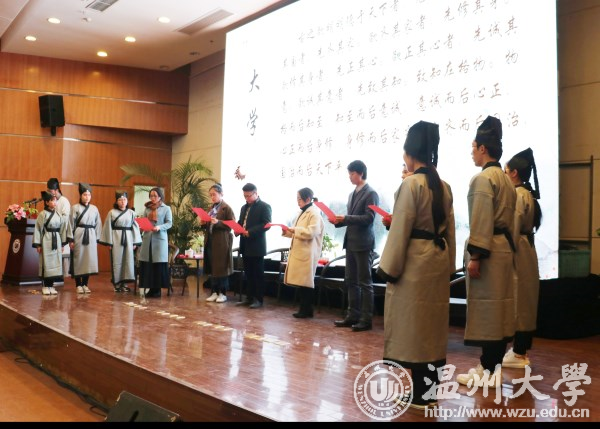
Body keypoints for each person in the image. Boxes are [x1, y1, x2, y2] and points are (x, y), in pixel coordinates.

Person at [376, 121, 456, 409]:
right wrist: (449, 266)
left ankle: (421, 396)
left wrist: (387, 269)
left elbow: (401, 230)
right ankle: (429, 392)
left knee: (413, 327)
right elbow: (450, 231)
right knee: (432, 328)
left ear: (410, 154)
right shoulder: (444, 186)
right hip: (437, 260)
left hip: (414, 263)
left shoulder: (410, 184)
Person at [456, 115, 517, 387]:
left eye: (473, 147)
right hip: (503, 250)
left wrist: (476, 256)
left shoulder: (483, 179)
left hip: (488, 252)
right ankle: (490, 366)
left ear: (483, 148)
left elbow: (481, 220)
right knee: (498, 311)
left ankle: (490, 371)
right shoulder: (505, 179)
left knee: (488, 312)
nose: (471, 152)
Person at [503, 148, 542, 369]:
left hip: (518, 251)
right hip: (526, 250)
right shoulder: (527, 194)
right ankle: (520, 351)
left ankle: (518, 352)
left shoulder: (518, 195)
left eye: (506, 171)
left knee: (521, 301)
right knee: (525, 301)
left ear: (514, 173)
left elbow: (513, 227)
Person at [331, 160, 379, 332]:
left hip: (364, 243)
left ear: (361, 173)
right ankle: (352, 315)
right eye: (349, 174)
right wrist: (338, 221)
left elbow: (369, 218)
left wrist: (346, 218)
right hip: (351, 242)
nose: (350, 177)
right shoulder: (352, 194)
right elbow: (351, 218)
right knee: (351, 280)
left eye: (352, 173)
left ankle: (366, 319)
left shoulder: (371, 193)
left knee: (365, 282)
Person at [281, 187, 325, 318]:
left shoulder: (314, 213)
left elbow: (312, 232)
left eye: (299, 199)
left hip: (308, 251)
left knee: (306, 283)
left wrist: (294, 230)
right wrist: (287, 231)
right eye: (297, 199)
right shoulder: (302, 212)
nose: (297, 201)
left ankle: (306, 310)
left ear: (307, 199)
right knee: (302, 283)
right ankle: (304, 309)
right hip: (301, 251)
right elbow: (297, 231)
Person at [235, 183, 272, 309]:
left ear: (256, 193)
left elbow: (266, 224)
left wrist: (250, 232)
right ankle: (249, 298)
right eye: (244, 196)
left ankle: (258, 299)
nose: (247, 198)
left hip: (256, 246)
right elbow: (241, 222)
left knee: (257, 274)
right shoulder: (243, 207)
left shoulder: (264, 206)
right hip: (245, 244)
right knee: (248, 273)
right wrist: (236, 228)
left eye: (249, 196)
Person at [99, 191, 142, 293]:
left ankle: (125, 283)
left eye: (124, 199)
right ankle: (117, 284)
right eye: (120, 200)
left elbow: (135, 228)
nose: (123, 202)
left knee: (128, 260)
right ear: (116, 201)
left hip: (128, 239)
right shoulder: (111, 213)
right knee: (117, 260)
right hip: (116, 238)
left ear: (127, 201)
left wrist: (135, 242)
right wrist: (109, 242)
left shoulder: (132, 213)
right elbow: (108, 227)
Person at [202, 183, 235, 303]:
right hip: (211, 240)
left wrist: (219, 222)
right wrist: (204, 222)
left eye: (214, 194)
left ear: (221, 194)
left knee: (221, 267)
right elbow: (209, 223)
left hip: (221, 241)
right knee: (213, 267)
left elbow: (232, 224)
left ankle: (223, 293)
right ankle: (214, 292)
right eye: (210, 195)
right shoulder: (211, 208)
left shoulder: (226, 208)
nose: (212, 197)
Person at [67, 183, 102, 294]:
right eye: (85, 195)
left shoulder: (94, 209)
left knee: (88, 260)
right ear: (80, 195)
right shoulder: (75, 208)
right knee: (79, 259)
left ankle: (85, 284)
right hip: (79, 234)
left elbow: (98, 224)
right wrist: (71, 239)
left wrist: (97, 238)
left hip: (91, 235)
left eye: (89, 195)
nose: (87, 197)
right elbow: (70, 224)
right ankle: (78, 284)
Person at [138, 187, 173, 298]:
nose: (153, 198)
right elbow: (144, 221)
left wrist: (159, 227)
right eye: (151, 196)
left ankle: (157, 290)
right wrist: (141, 226)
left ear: (160, 197)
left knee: (157, 265)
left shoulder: (166, 208)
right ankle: (150, 288)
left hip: (159, 240)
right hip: (148, 238)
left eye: (155, 196)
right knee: (148, 264)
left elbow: (169, 223)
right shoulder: (147, 208)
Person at [33, 191, 67, 295]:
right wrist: (38, 244)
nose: (55, 202)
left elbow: (62, 229)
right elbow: (38, 229)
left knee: (55, 263)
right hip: (46, 240)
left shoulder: (58, 214)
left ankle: (51, 286)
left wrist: (62, 244)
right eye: (52, 201)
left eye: (55, 200)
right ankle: (45, 286)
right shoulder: (42, 214)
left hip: (56, 240)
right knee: (46, 263)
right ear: (47, 202)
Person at [47, 178, 71, 279]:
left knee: (60, 256)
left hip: (61, 232)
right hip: (52, 233)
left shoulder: (64, 201)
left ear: (56, 190)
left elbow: (65, 219)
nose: (49, 192)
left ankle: (58, 277)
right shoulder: (50, 201)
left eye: (50, 191)